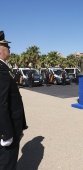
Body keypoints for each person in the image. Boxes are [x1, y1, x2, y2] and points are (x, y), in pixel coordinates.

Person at [0, 31, 27, 170]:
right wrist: (6, 133)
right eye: (6, 46)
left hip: (10, 124)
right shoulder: (1, 69)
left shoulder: (4, 67)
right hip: (7, 126)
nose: (9, 48)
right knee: (7, 163)